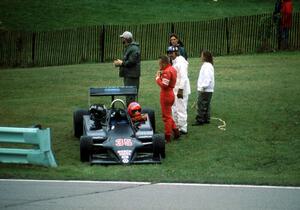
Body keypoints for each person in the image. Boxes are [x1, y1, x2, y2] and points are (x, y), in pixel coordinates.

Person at [155, 55, 180, 143]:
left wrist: (158, 78)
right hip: (171, 94)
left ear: (164, 63)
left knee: (166, 117)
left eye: (160, 64)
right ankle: (176, 131)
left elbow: (164, 85)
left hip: (166, 95)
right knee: (169, 115)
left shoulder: (166, 71)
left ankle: (167, 136)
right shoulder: (172, 69)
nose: (159, 65)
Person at [167, 46, 191, 135]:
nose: (170, 55)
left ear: (176, 52)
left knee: (181, 108)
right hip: (175, 89)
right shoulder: (175, 62)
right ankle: (177, 126)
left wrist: (180, 89)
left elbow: (183, 77)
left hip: (181, 89)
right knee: (175, 108)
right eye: (169, 53)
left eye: (171, 53)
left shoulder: (181, 62)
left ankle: (183, 127)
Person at [113, 31, 141, 106]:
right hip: (128, 75)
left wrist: (121, 63)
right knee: (128, 95)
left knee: (130, 96)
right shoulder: (129, 47)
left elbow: (132, 62)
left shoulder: (134, 48)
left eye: (123, 38)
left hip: (132, 76)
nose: (122, 40)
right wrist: (120, 63)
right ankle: (130, 111)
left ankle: (132, 113)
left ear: (126, 39)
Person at [193, 50, 215, 126]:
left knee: (201, 104)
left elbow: (207, 78)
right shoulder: (207, 65)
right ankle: (206, 118)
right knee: (206, 104)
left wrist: (203, 86)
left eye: (202, 55)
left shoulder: (207, 66)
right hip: (207, 89)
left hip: (205, 89)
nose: (201, 57)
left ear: (205, 57)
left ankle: (200, 119)